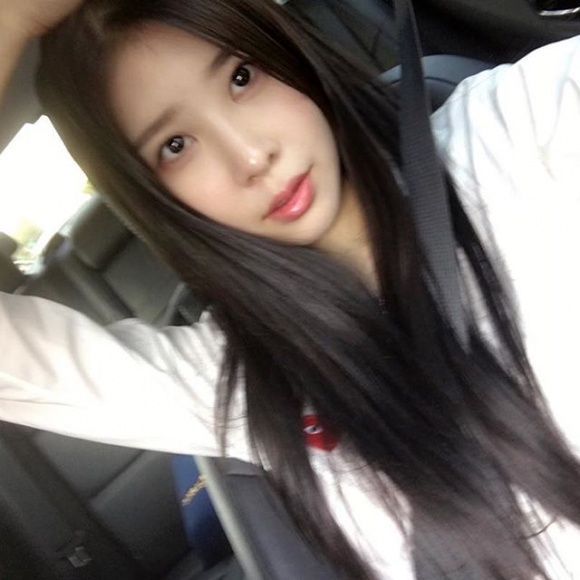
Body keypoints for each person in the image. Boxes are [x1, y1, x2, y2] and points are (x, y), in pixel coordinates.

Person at [0, 0, 579, 578]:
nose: (252, 156)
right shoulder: (231, 377)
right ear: (151, 199)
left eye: (241, 77)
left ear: (285, 51)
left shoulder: (517, 130)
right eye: (175, 145)